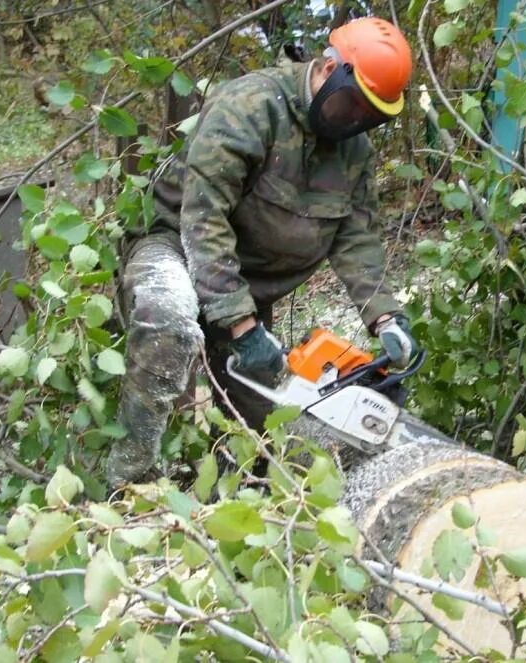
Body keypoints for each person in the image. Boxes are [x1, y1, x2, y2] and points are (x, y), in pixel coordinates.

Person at [106, 17, 420, 486]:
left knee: (270, 427)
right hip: (176, 246)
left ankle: (242, 495)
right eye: (350, 104)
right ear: (328, 69)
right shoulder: (251, 107)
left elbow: (356, 237)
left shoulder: (353, 153)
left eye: (368, 114)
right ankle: (131, 482)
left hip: (247, 289)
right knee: (168, 316)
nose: (354, 120)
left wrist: (385, 317)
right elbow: (203, 218)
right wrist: (240, 323)